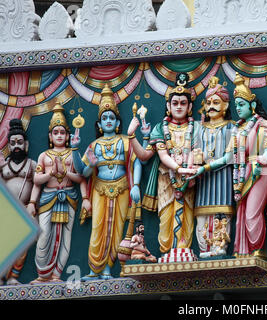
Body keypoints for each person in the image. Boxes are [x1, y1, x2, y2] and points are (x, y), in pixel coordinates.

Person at [191, 72, 267, 259]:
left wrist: (265, 153)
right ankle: (245, 251)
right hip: (242, 172)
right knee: (242, 213)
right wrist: (204, 168)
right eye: (237, 105)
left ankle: (258, 250)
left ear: (253, 105)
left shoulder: (262, 124)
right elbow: (227, 158)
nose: (238, 109)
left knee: (252, 214)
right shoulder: (238, 130)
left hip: (260, 171)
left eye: (242, 105)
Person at [72, 84, 142, 280]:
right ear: (100, 125)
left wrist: (136, 185)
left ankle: (107, 269)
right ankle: (94, 268)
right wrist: (75, 150)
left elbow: (136, 162)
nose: (108, 121)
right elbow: (83, 172)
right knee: (98, 228)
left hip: (121, 189)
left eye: (112, 117)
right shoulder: (94, 145)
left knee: (116, 229)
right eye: (105, 118)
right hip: (100, 190)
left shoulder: (126, 141)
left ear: (117, 122)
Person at [128, 72, 198, 260]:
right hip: (166, 181)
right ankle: (166, 252)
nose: (179, 107)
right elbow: (144, 156)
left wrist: (188, 169)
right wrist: (132, 136)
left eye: (183, 103)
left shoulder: (196, 128)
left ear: (190, 106)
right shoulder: (160, 129)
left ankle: (183, 250)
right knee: (166, 217)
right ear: (168, 106)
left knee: (187, 218)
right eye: (175, 103)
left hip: (189, 181)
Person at [27, 104, 90, 284]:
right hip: (48, 199)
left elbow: (81, 178)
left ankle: (56, 275)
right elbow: (37, 180)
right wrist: (32, 202)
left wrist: (85, 198)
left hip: (68, 198)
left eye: (63, 132)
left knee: (65, 238)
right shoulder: (44, 156)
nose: (60, 135)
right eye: (56, 132)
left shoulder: (73, 154)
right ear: (50, 136)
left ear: (68, 135)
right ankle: (42, 274)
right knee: (44, 234)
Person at [193, 76, 235, 256]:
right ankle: (204, 248)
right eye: (208, 102)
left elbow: (229, 157)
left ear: (225, 106)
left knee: (221, 214)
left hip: (223, 178)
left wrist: (206, 166)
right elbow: (194, 150)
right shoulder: (198, 128)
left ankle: (220, 247)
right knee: (202, 216)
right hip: (203, 181)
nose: (211, 105)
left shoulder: (231, 127)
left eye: (216, 102)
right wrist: (196, 159)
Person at [0, 119, 36, 285]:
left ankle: (14, 276)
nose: (16, 146)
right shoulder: (4, 166)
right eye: (13, 143)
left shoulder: (32, 165)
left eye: (20, 143)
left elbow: (39, 185)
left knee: (21, 246)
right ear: (8, 146)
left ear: (26, 145)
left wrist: (34, 204)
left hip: (24, 210)